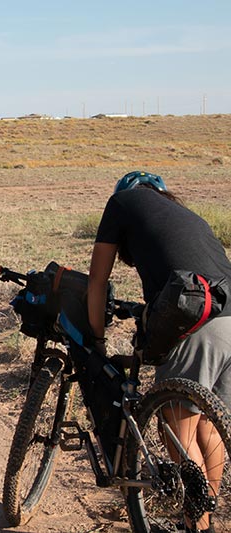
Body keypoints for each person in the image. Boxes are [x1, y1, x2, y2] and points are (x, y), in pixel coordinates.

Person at [87, 170, 231, 533]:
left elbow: (97, 281)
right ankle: (202, 521)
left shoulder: (121, 202)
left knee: (177, 428)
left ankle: (195, 523)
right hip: (230, 313)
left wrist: (98, 340)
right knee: (209, 431)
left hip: (195, 317)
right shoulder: (184, 216)